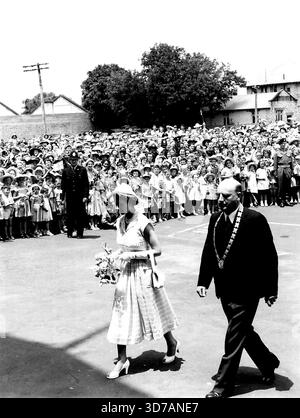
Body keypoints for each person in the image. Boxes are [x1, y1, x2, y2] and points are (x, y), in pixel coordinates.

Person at [197, 177, 279, 398]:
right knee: (243, 332)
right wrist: (203, 281)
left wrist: (271, 289)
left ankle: (223, 386)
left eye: (226, 196)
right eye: (219, 195)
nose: (220, 200)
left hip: (248, 289)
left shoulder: (255, 219)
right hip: (225, 288)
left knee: (234, 336)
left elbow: (269, 256)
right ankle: (268, 362)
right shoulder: (215, 219)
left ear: (239, 195)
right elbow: (209, 251)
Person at [106, 183, 179, 379]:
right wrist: (112, 257)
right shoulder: (119, 221)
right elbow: (122, 248)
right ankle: (122, 359)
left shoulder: (143, 222)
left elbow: (157, 250)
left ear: (130, 201)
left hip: (144, 272)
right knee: (121, 313)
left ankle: (171, 343)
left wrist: (133, 256)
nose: (116, 203)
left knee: (153, 312)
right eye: (116, 199)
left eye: (120, 199)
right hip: (126, 274)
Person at [61, 150, 89, 238]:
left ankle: (79, 233)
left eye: (75, 159)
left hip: (79, 196)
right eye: (72, 159)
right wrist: (62, 198)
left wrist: (85, 196)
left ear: (77, 160)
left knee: (80, 214)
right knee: (70, 214)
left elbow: (86, 184)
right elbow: (63, 185)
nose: (73, 161)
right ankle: (70, 232)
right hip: (70, 196)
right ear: (69, 160)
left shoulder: (82, 170)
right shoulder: (66, 171)